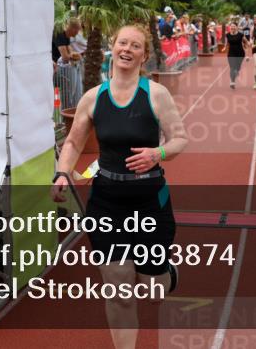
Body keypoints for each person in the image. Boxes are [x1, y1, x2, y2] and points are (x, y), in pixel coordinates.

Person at [52, 24, 189, 349]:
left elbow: (180, 138)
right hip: (106, 202)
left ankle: (165, 272)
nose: (127, 49)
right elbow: (72, 142)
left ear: (144, 55)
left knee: (153, 290)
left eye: (136, 46)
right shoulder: (93, 97)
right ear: (113, 48)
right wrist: (62, 173)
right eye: (123, 43)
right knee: (118, 290)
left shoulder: (155, 94)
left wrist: (159, 153)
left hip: (149, 201)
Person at [224, 21, 250, 90]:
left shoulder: (241, 35)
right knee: (232, 67)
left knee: (237, 68)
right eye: (231, 26)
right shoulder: (227, 35)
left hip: (240, 53)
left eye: (234, 26)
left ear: (237, 27)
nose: (232, 27)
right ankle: (232, 82)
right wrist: (224, 47)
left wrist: (247, 54)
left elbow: (246, 43)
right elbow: (227, 43)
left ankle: (237, 71)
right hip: (231, 53)